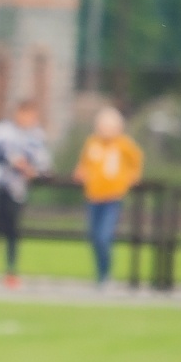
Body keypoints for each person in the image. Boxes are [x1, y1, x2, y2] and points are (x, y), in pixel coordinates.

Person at [0, 98, 50, 287]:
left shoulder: (37, 135)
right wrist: (15, 161)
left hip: (17, 189)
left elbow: (43, 162)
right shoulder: (1, 131)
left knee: (13, 231)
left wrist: (33, 170)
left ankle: (11, 271)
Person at [72, 106, 143, 286]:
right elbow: (84, 163)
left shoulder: (123, 144)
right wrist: (80, 172)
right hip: (93, 195)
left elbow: (136, 160)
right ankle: (99, 273)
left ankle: (105, 273)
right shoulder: (92, 143)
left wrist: (133, 176)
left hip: (113, 197)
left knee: (104, 236)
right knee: (94, 236)